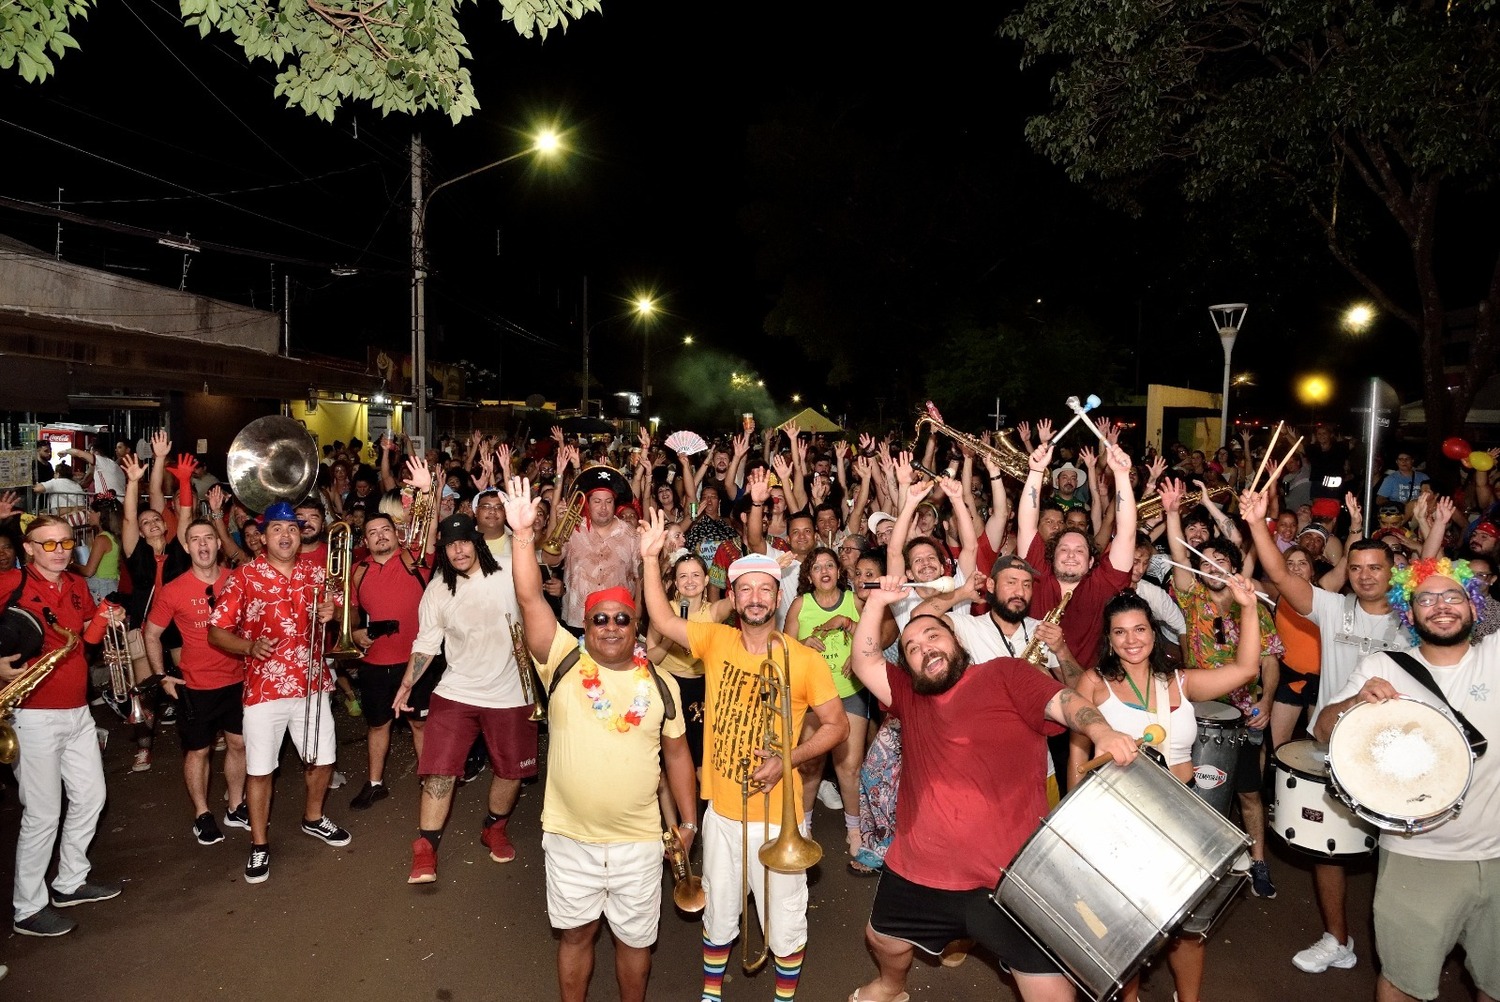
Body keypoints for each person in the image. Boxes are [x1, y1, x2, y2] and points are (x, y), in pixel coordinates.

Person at [845, 575, 1139, 1002]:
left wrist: (1103, 731)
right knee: (882, 938)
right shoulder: (910, 696)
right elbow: (865, 660)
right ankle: (891, 986)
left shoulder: (1006, 673)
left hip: (1009, 878)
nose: (925, 648)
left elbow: (1065, 702)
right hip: (919, 868)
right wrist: (876, 603)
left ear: (957, 641)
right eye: (913, 648)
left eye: (933, 636)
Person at [639, 511, 848, 1002]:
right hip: (724, 813)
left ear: (778, 597)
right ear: (732, 599)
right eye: (746, 590)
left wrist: (789, 758)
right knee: (718, 915)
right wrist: (649, 559)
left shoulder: (805, 659)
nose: (755, 598)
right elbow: (663, 620)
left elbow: (837, 726)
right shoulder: (715, 639)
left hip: (779, 816)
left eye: (765, 590)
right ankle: (711, 994)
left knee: (786, 924)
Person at [505, 481, 698, 1002]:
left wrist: (688, 823)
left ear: (637, 627)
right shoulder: (564, 662)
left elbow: (678, 756)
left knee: (635, 942)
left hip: (639, 843)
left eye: (621, 619)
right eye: (599, 619)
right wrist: (522, 535)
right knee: (577, 935)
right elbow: (529, 597)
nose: (611, 627)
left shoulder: (662, 684)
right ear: (585, 626)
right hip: (570, 839)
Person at [1313, 557, 1500, 1002]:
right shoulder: (1383, 665)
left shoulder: (1495, 654)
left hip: (1498, 853)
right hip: (1418, 856)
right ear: (1409, 612)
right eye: (1426, 599)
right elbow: (1322, 728)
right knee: (1404, 984)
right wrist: (1355, 702)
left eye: (1453, 595)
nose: (1441, 606)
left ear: (1474, 606)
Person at [1243, 487, 1410, 974]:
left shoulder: (1413, 620)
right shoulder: (1334, 608)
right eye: (1356, 568)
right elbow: (1280, 575)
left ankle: (1401, 949)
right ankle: (1338, 939)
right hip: (1334, 742)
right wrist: (1256, 524)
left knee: (1397, 854)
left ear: (1392, 572)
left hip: (1398, 755)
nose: (1365, 575)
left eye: (1375, 567)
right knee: (1328, 846)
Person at [1068, 588, 1263, 1002]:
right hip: (1123, 818)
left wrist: (1248, 608)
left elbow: (1247, 669)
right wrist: (1075, 823)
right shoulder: (1094, 683)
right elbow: (1078, 753)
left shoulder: (1180, 681)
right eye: (1120, 632)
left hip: (1184, 814)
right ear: (1109, 638)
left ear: (1154, 634)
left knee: (1188, 926)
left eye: (1139, 629)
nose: (1131, 640)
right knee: (1127, 925)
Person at [207, 501, 349, 884]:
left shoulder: (317, 573)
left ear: (300, 536)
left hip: (312, 684)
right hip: (264, 690)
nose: (286, 535)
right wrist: (248, 647)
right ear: (263, 537)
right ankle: (259, 844)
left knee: (323, 760)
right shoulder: (244, 576)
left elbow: (344, 615)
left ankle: (313, 818)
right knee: (260, 770)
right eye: (277, 529)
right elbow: (216, 631)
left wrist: (334, 614)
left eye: (292, 529)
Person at [0, 514, 126, 937]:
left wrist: (105, 617)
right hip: (32, 715)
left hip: (78, 711)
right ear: (29, 548)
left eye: (66, 543)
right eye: (48, 544)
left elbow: (85, 638)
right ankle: (27, 908)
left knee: (91, 797)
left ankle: (70, 882)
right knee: (43, 814)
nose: (59, 551)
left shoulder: (75, 583)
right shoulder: (9, 584)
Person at [397, 512, 538, 883]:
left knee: (511, 772)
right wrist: (407, 683)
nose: (458, 550)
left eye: (464, 542)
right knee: (439, 771)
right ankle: (425, 847)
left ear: (478, 542)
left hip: (511, 691)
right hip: (456, 690)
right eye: (449, 545)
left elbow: (538, 603)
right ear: (443, 550)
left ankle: (494, 827)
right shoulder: (438, 589)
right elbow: (427, 643)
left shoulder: (509, 571)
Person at [1160, 477, 1283, 898]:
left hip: (1243, 714)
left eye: (1219, 562)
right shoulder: (1191, 597)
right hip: (1194, 712)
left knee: (1248, 793)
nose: (1210, 567)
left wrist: (1267, 700)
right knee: (1191, 788)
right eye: (1205, 562)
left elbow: (1269, 660)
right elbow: (1179, 554)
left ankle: (1259, 861)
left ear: (1232, 567)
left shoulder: (1253, 606)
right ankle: (1186, 863)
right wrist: (1172, 512)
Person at [143, 517, 247, 845]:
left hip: (238, 680)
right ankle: (202, 814)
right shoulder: (174, 590)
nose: (203, 544)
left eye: (209, 538)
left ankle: (235, 806)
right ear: (187, 547)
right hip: (197, 686)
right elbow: (151, 634)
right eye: (195, 539)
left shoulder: (237, 580)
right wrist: (162, 677)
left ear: (218, 544)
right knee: (198, 751)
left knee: (239, 744)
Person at [346, 504, 434, 811]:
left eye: (386, 530)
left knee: (420, 724)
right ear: (365, 541)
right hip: (374, 664)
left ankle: (428, 781)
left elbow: (431, 528)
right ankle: (374, 784)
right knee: (377, 725)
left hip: (416, 662)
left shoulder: (416, 560)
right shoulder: (358, 571)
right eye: (373, 532)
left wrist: (431, 492)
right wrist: (354, 632)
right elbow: (351, 613)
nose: (380, 536)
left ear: (397, 534)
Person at [542, 456, 638, 633]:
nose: (603, 508)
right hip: (578, 619)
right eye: (597, 501)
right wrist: (557, 524)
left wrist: (636, 616)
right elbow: (549, 559)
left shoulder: (631, 535)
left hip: (618, 620)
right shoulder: (573, 528)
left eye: (608, 501)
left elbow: (640, 580)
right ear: (588, 503)